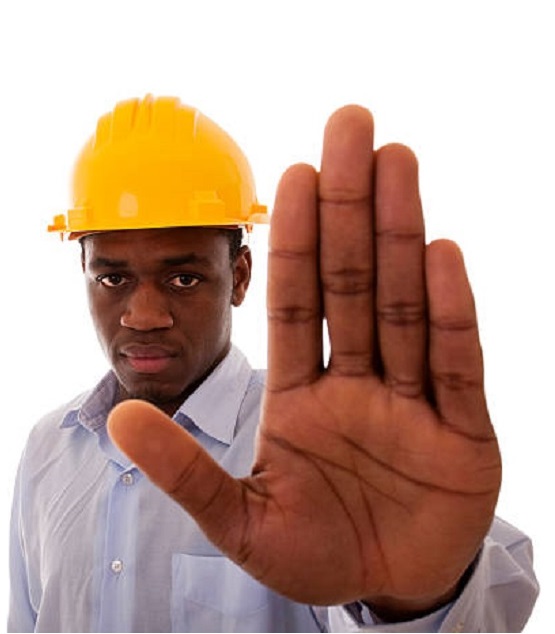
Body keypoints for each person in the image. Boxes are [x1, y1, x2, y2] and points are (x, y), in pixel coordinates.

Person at [9, 95, 538, 633]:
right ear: (84, 270)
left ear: (239, 276)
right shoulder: (48, 449)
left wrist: (412, 600)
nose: (143, 316)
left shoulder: (327, 445)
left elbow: (494, 593)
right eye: (113, 278)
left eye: (183, 279)